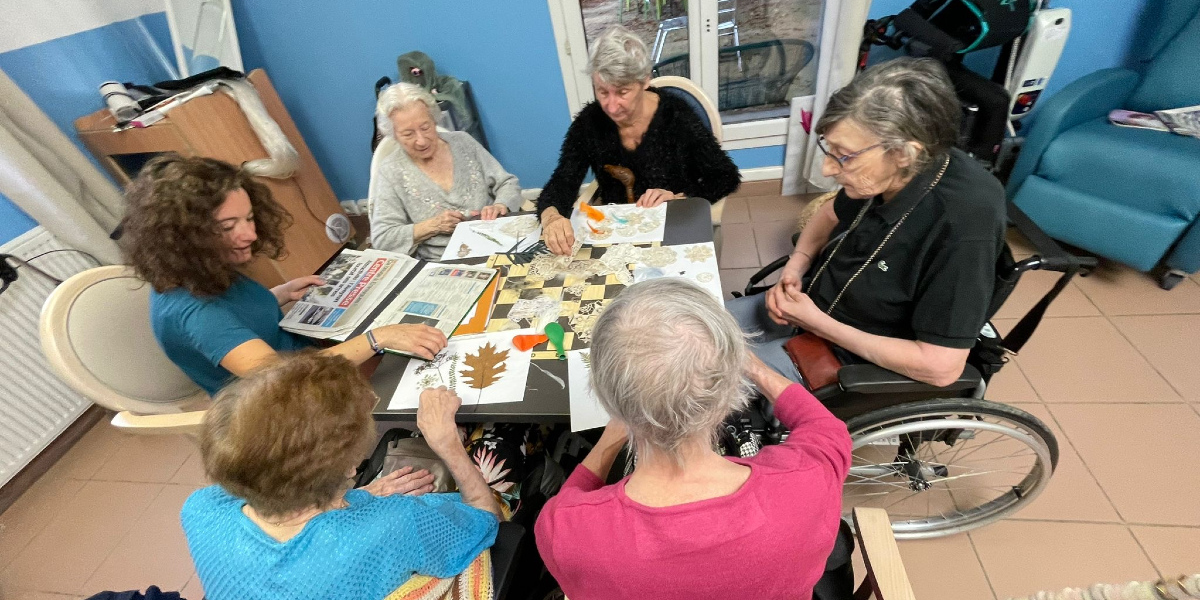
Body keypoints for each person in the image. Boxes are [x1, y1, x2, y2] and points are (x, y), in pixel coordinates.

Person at [535, 279, 851, 600]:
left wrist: (606, 444)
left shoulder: (566, 530)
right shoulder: (811, 478)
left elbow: (568, 501)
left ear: (608, 398)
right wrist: (757, 369)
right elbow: (825, 428)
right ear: (728, 390)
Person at [726, 58, 1007, 387]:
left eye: (843, 155)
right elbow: (828, 214)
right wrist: (796, 267)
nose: (829, 169)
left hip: (848, 354)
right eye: (829, 149)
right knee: (688, 329)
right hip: (809, 307)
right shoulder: (886, 172)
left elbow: (941, 368)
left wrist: (818, 324)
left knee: (695, 383)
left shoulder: (963, 225)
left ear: (904, 153)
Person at [182, 352, 501, 599]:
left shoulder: (200, 510)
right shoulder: (394, 524)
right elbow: (490, 522)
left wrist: (358, 498)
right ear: (350, 468)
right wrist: (447, 443)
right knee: (499, 451)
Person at [120, 154, 447, 395]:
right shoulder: (197, 314)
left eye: (248, 218)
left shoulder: (197, 266)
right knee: (415, 367)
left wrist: (278, 294)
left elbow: (235, 317)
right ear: (182, 234)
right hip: (286, 396)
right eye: (227, 226)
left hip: (305, 355)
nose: (249, 234)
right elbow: (280, 376)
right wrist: (379, 338)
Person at [537, 26, 740, 255]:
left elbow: (725, 176)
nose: (611, 106)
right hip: (619, 232)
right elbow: (563, 181)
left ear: (644, 81)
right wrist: (551, 216)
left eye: (622, 92)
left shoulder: (676, 116)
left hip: (673, 224)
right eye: (602, 92)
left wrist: (680, 197)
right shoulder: (589, 123)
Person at [370, 82, 523, 259]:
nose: (421, 140)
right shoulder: (390, 171)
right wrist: (432, 226)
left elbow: (507, 183)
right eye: (408, 134)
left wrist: (500, 205)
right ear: (393, 135)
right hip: (444, 262)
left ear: (434, 119)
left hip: (498, 245)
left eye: (425, 127)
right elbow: (382, 238)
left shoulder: (463, 142)